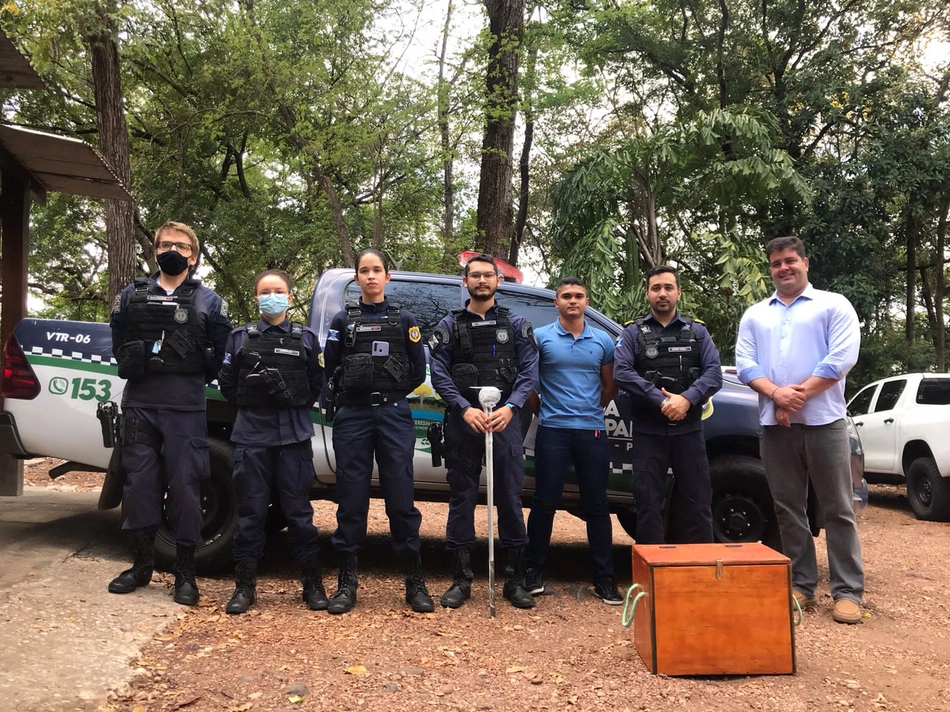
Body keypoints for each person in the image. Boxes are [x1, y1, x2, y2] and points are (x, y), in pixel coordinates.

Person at [735, 236, 864, 625]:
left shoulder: (833, 304)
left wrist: (796, 396)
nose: (783, 268)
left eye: (790, 260)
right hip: (776, 428)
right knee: (788, 508)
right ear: (770, 269)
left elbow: (841, 357)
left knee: (838, 507)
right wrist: (776, 395)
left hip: (825, 422)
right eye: (776, 263)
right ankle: (802, 586)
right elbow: (744, 363)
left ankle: (848, 592)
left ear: (805, 263)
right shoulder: (756, 314)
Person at [108, 221, 232, 605]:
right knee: (140, 484)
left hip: (185, 404)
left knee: (186, 485)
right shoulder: (131, 295)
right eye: (164, 244)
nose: (171, 250)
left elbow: (219, 352)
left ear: (193, 256)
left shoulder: (209, 301)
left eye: (180, 245)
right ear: (155, 251)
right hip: (141, 402)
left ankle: (185, 573)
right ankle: (142, 566)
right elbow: (119, 344)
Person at [322, 248, 433, 614]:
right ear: (356, 278)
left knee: (400, 497)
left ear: (388, 276)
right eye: (364, 271)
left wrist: (392, 391)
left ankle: (414, 581)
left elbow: (418, 371)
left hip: (392, 414)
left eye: (377, 270)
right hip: (353, 414)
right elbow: (332, 367)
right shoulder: (343, 320)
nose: (371, 276)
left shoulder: (405, 320)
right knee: (351, 497)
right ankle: (346, 581)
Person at [429, 253, 540, 609]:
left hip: (505, 421)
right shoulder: (448, 325)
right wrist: (464, 409)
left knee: (509, 496)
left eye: (487, 275)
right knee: (461, 498)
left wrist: (512, 407)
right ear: (465, 282)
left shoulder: (517, 324)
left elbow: (529, 371)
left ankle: (514, 578)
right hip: (465, 422)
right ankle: (460, 579)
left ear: (497, 281)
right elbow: (439, 373)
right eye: (474, 276)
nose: (481, 281)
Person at [217, 269, 326, 614]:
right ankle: (244, 587)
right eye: (265, 291)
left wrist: (292, 403)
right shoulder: (239, 337)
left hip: (293, 437)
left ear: (290, 297)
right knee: (249, 513)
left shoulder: (306, 338)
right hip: (251, 437)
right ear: (256, 298)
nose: (272, 296)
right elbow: (228, 384)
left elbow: (316, 383)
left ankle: (312, 585)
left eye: (278, 290)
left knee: (299, 513)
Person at [523, 277, 622, 604]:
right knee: (544, 502)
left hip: (592, 431)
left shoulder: (603, 341)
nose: (572, 301)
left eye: (578, 296)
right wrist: (546, 411)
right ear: (556, 302)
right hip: (552, 430)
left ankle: (604, 579)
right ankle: (533, 571)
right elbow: (528, 384)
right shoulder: (541, 338)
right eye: (566, 296)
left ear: (587, 300)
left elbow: (610, 387)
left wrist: (590, 410)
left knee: (597, 505)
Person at [613, 265, 723, 545]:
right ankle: (652, 572)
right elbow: (622, 373)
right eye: (656, 288)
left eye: (668, 288)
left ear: (678, 293)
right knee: (647, 504)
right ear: (647, 294)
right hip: (648, 432)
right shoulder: (632, 334)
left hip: (688, 431)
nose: (662, 294)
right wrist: (662, 400)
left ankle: (701, 570)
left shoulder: (697, 332)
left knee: (698, 501)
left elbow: (714, 373)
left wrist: (686, 399)